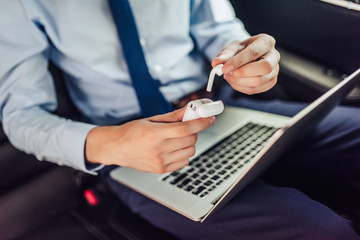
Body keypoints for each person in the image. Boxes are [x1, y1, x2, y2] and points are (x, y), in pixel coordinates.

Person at [0, 0, 359, 239]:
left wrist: (243, 54)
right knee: (323, 231)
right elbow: (21, 116)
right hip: (130, 147)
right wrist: (106, 144)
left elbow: (220, 30)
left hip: (220, 109)